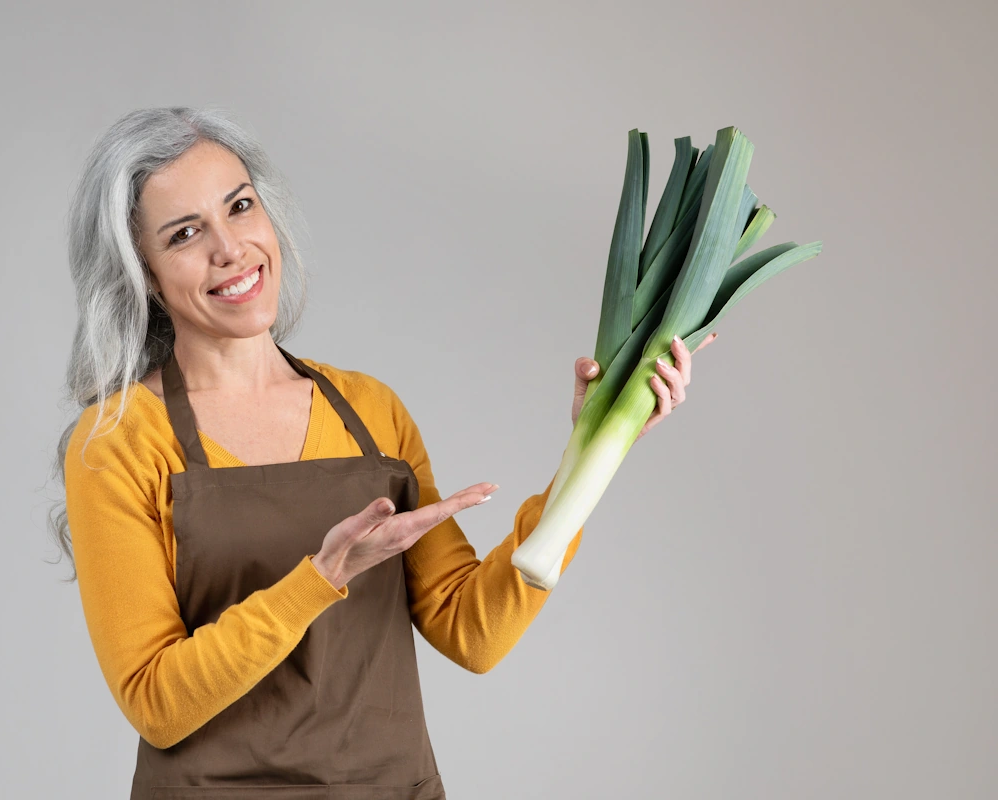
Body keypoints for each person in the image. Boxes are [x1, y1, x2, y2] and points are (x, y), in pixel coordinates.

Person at [47, 106, 715, 799]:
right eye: (185, 234)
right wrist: (323, 575)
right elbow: (156, 704)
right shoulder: (119, 441)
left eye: (239, 207)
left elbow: (473, 634)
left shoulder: (370, 410)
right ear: (144, 274)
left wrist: (594, 449)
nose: (230, 248)